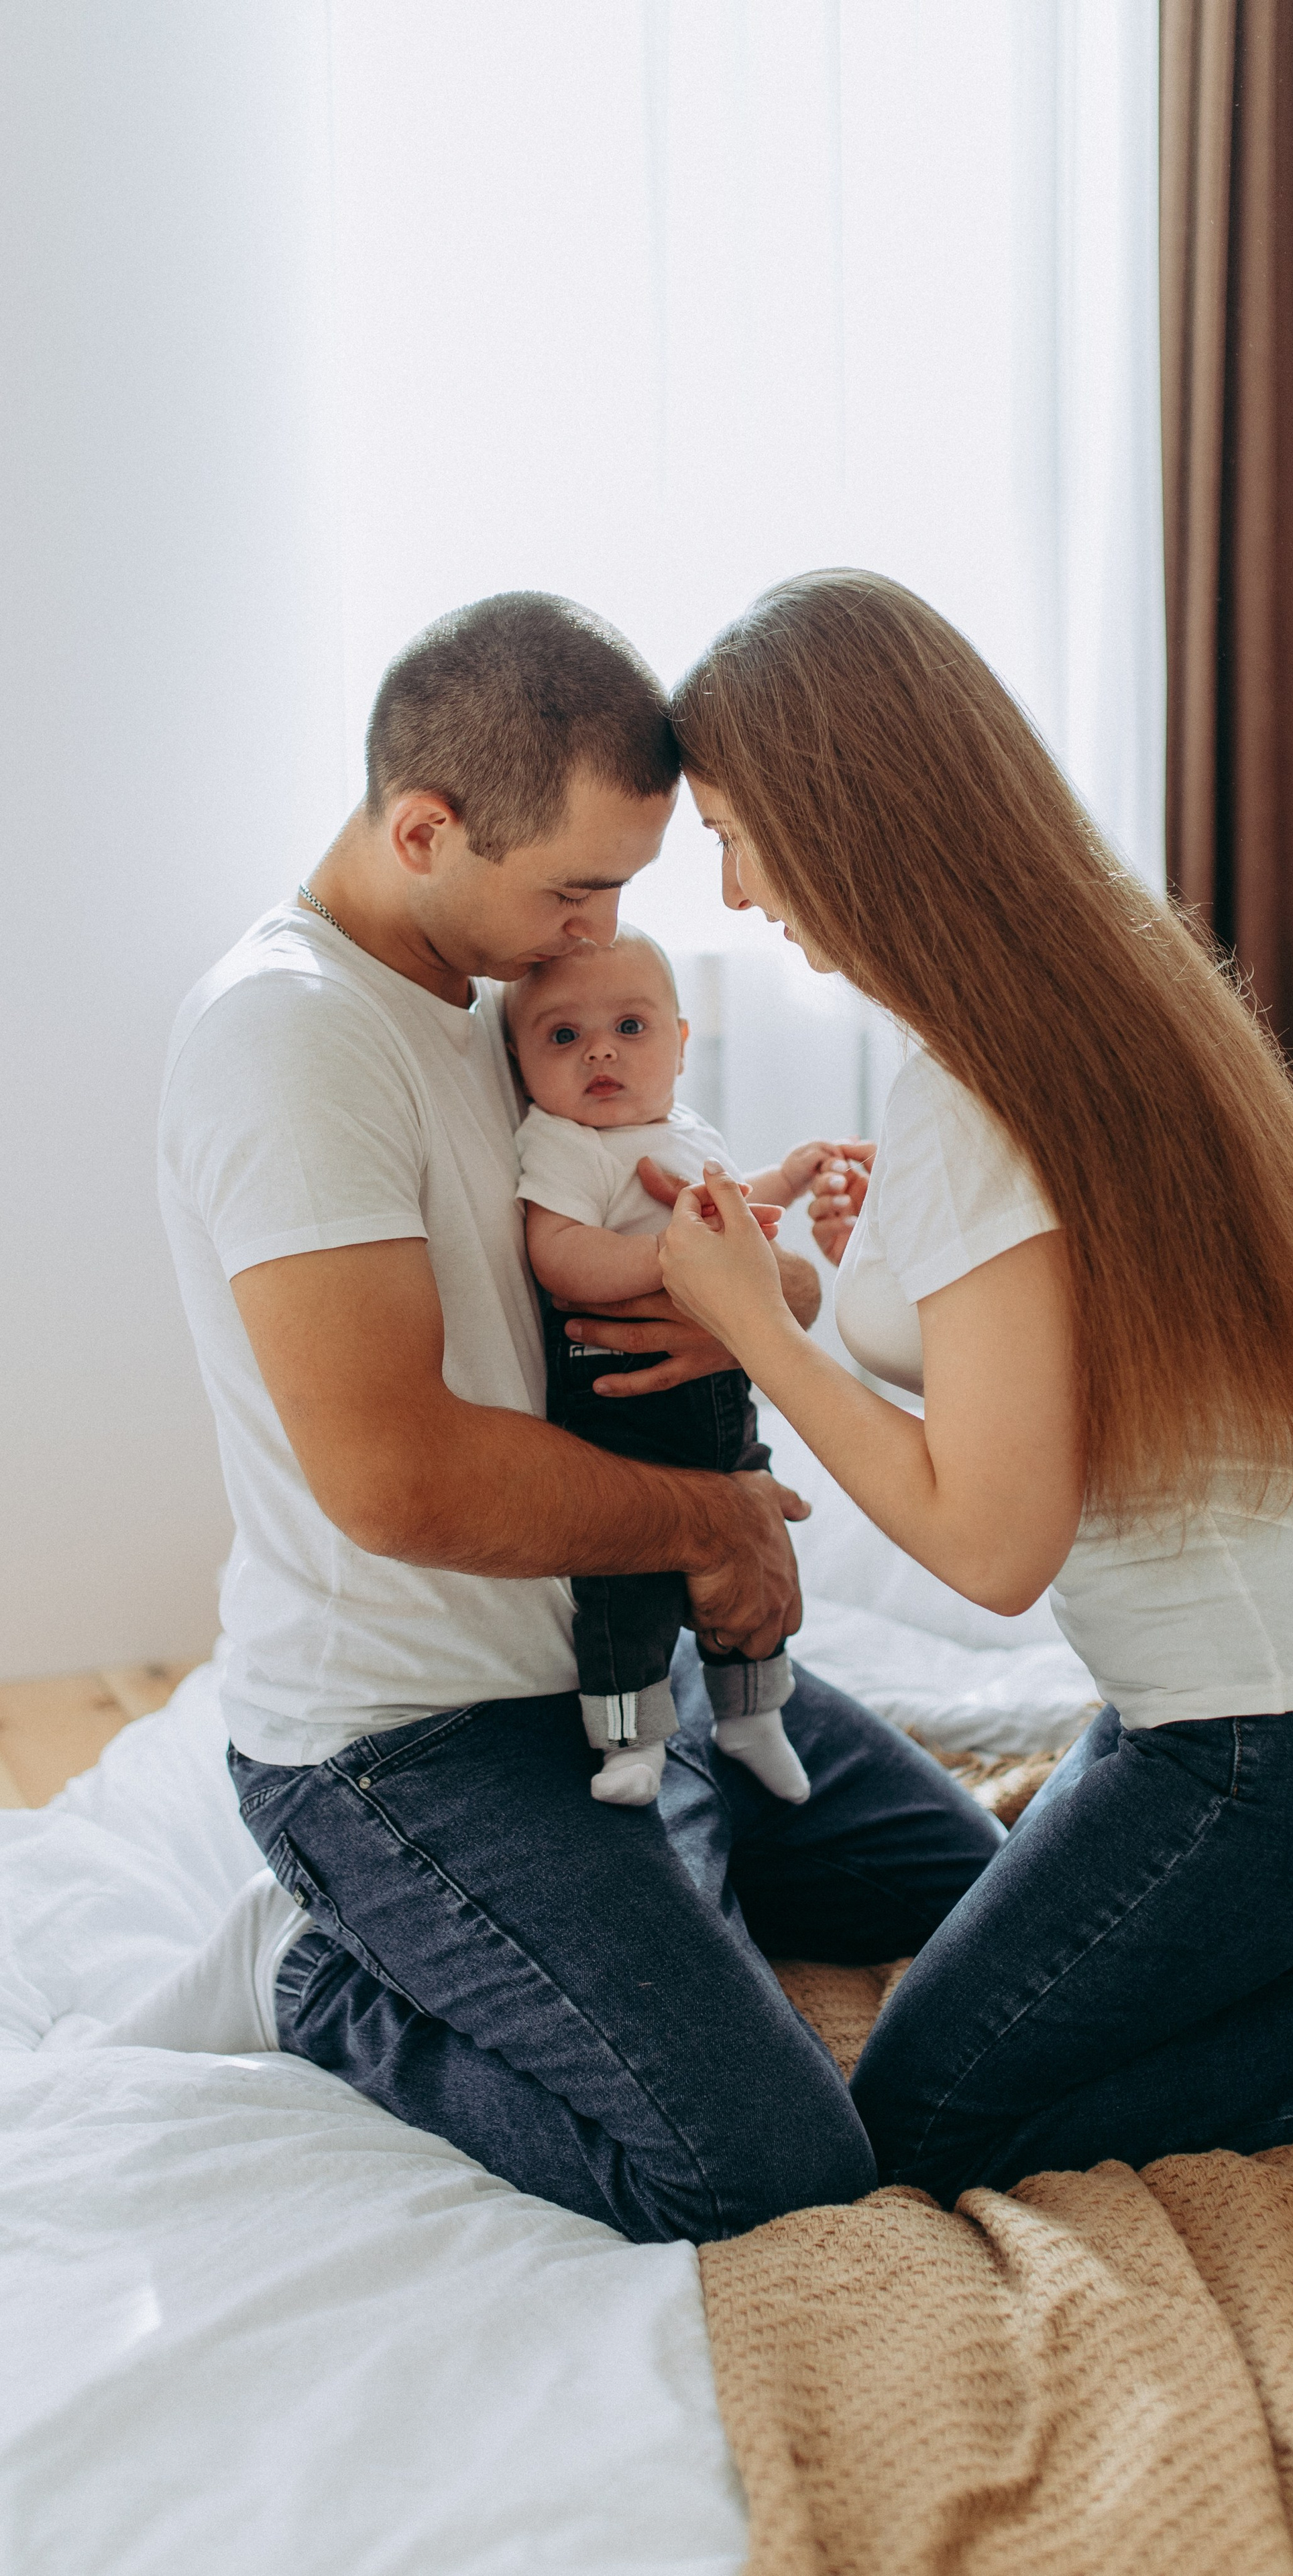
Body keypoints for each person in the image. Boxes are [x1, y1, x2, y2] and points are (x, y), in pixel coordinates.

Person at [653, 567, 1293, 2214]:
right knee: (1064, 1986)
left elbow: (991, 1547)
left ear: (843, 815)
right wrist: (858, 1269)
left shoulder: (971, 1099)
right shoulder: (1101, 999)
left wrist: (756, 1333)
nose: (737, 888)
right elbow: (1044, 1330)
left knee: (925, 2114)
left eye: (738, 830)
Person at [93, 591, 1001, 2246]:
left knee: (1006, 1924)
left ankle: (672, 1845)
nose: (595, 936)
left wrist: (755, 1291)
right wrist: (714, 1529)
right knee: (766, 2163)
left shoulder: (484, 1001)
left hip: (611, 1659)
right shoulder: (290, 1043)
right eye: (573, 888)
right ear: (425, 829)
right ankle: (318, 1976)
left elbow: (617, 1242)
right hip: (408, 1745)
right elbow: (396, 1473)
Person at [509, 926, 841, 1807]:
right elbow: (559, 1252)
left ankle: (752, 1716)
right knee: (628, 1586)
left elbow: (733, 1212)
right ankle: (631, 1743)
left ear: (682, 1044)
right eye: (563, 1037)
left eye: (630, 1026)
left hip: (721, 1403)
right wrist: (667, 1266)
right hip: (620, 1409)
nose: (601, 1052)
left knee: (757, 1528)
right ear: (521, 1060)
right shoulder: (564, 1144)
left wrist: (789, 1180)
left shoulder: (689, 1131)